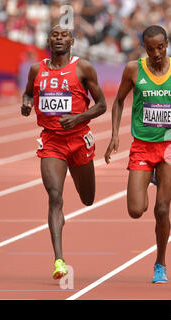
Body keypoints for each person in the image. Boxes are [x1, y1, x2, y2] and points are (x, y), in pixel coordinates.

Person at [104, 25, 171, 283]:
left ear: (167, 44)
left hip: (169, 144)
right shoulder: (134, 69)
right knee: (136, 210)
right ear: (144, 47)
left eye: (160, 47)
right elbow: (119, 100)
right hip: (142, 145)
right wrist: (114, 135)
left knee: (162, 209)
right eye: (150, 48)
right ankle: (150, 176)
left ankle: (160, 263)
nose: (156, 52)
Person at [21, 25, 107, 279]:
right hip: (51, 141)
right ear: (48, 40)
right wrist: (26, 104)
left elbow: (102, 104)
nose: (59, 39)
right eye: (55, 35)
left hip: (79, 140)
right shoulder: (37, 69)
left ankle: (60, 218)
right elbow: (27, 93)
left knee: (87, 198)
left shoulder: (83, 68)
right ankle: (59, 260)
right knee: (54, 196)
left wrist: (79, 117)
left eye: (64, 35)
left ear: (72, 41)